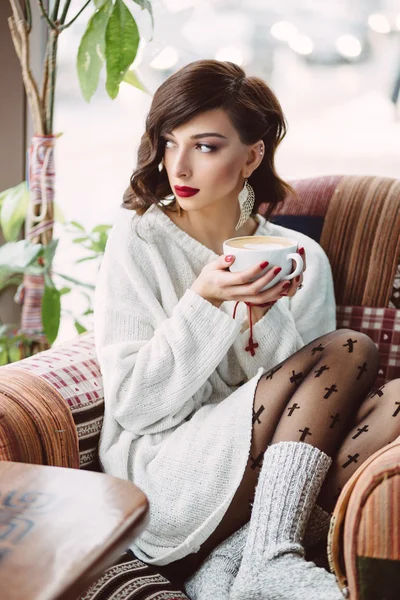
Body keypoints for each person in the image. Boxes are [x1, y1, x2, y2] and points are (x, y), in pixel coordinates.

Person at [94, 60, 400, 599]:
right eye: (169, 143)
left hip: (258, 470)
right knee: (353, 349)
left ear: (252, 156)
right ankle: (271, 554)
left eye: (206, 146)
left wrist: (268, 312)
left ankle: (237, 561)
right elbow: (135, 406)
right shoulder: (139, 240)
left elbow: (313, 413)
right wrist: (206, 300)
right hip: (168, 468)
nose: (179, 167)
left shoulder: (301, 257)